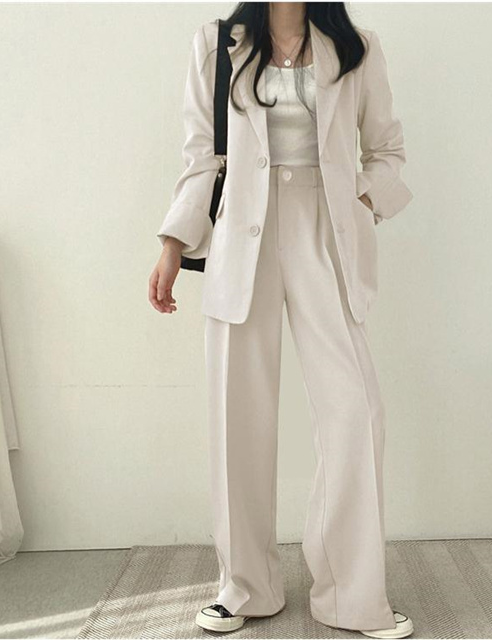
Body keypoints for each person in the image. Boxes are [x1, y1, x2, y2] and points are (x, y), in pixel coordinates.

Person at [149, 3, 414, 638]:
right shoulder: (217, 44)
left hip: (326, 231)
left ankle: (352, 594)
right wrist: (173, 242)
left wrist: (359, 197)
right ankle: (245, 586)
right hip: (242, 233)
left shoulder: (357, 47)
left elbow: (387, 150)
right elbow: (201, 155)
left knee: (356, 412)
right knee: (237, 415)